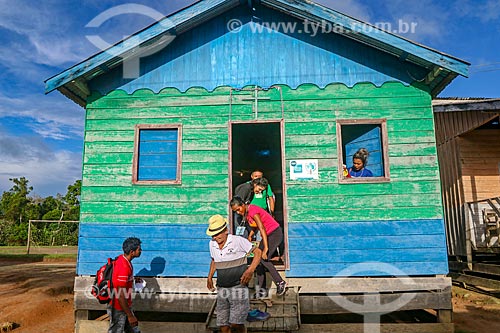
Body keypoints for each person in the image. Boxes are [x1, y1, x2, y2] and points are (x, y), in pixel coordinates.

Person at [206, 215, 262, 333]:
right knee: (223, 325)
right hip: (222, 288)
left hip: (238, 287)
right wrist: (210, 276)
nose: (216, 237)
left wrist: (250, 270)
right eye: (214, 235)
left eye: (218, 233)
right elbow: (214, 260)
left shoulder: (237, 241)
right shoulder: (212, 244)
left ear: (226, 231)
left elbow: (258, 252)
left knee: (236, 323)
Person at [230, 197, 287, 297]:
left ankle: (280, 282)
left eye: (238, 209)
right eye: (235, 212)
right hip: (268, 234)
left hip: (274, 233)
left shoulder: (253, 211)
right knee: (257, 260)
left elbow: (262, 228)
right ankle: (261, 290)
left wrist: (265, 249)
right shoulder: (246, 213)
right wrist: (250, 235)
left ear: (243, 205)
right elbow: (255, 226)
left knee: (263, 259)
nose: (238, 213)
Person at [108, 237, 143, 333]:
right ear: (132, 252)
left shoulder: (123, 260)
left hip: (125, 306)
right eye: (139, 249)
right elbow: (120, 294)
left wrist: (132, 280)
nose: (141, 251)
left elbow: (121, 280)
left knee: (133, 330)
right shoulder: (124, 266)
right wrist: (130, 315)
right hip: (119, 308)